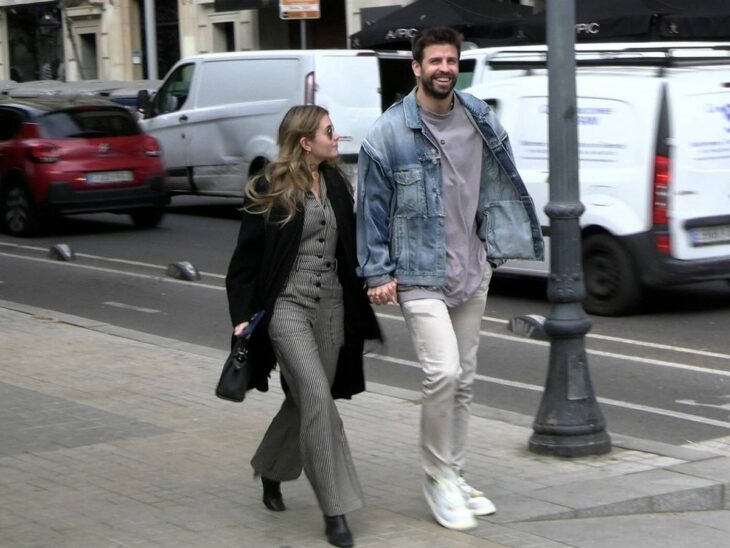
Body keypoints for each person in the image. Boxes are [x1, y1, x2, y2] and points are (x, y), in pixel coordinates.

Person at [356, 26, 544, 531]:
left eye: (451, 60)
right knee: (441, 373)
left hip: (472, 266)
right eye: (434, 60)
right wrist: (376, 271)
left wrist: (497, 241)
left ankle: (456, 474)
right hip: (418, 271)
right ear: (415, 67)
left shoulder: (481, 117)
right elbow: (371, 208)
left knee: (464, 380)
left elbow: (501, 184)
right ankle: (437, 479)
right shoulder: (389, 133)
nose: (444, 68)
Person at [226, 105, 381, 548]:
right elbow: (245, 263)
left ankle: (272, 468)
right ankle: (337, 510)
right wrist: (241, 319)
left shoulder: (336, 181)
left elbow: (353, 244)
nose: (338, 137)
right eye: (329, 132)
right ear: (304, 142)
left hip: (331, 307)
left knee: (304, 402)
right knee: (316, 396)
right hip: (287, 307)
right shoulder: (269, 188)